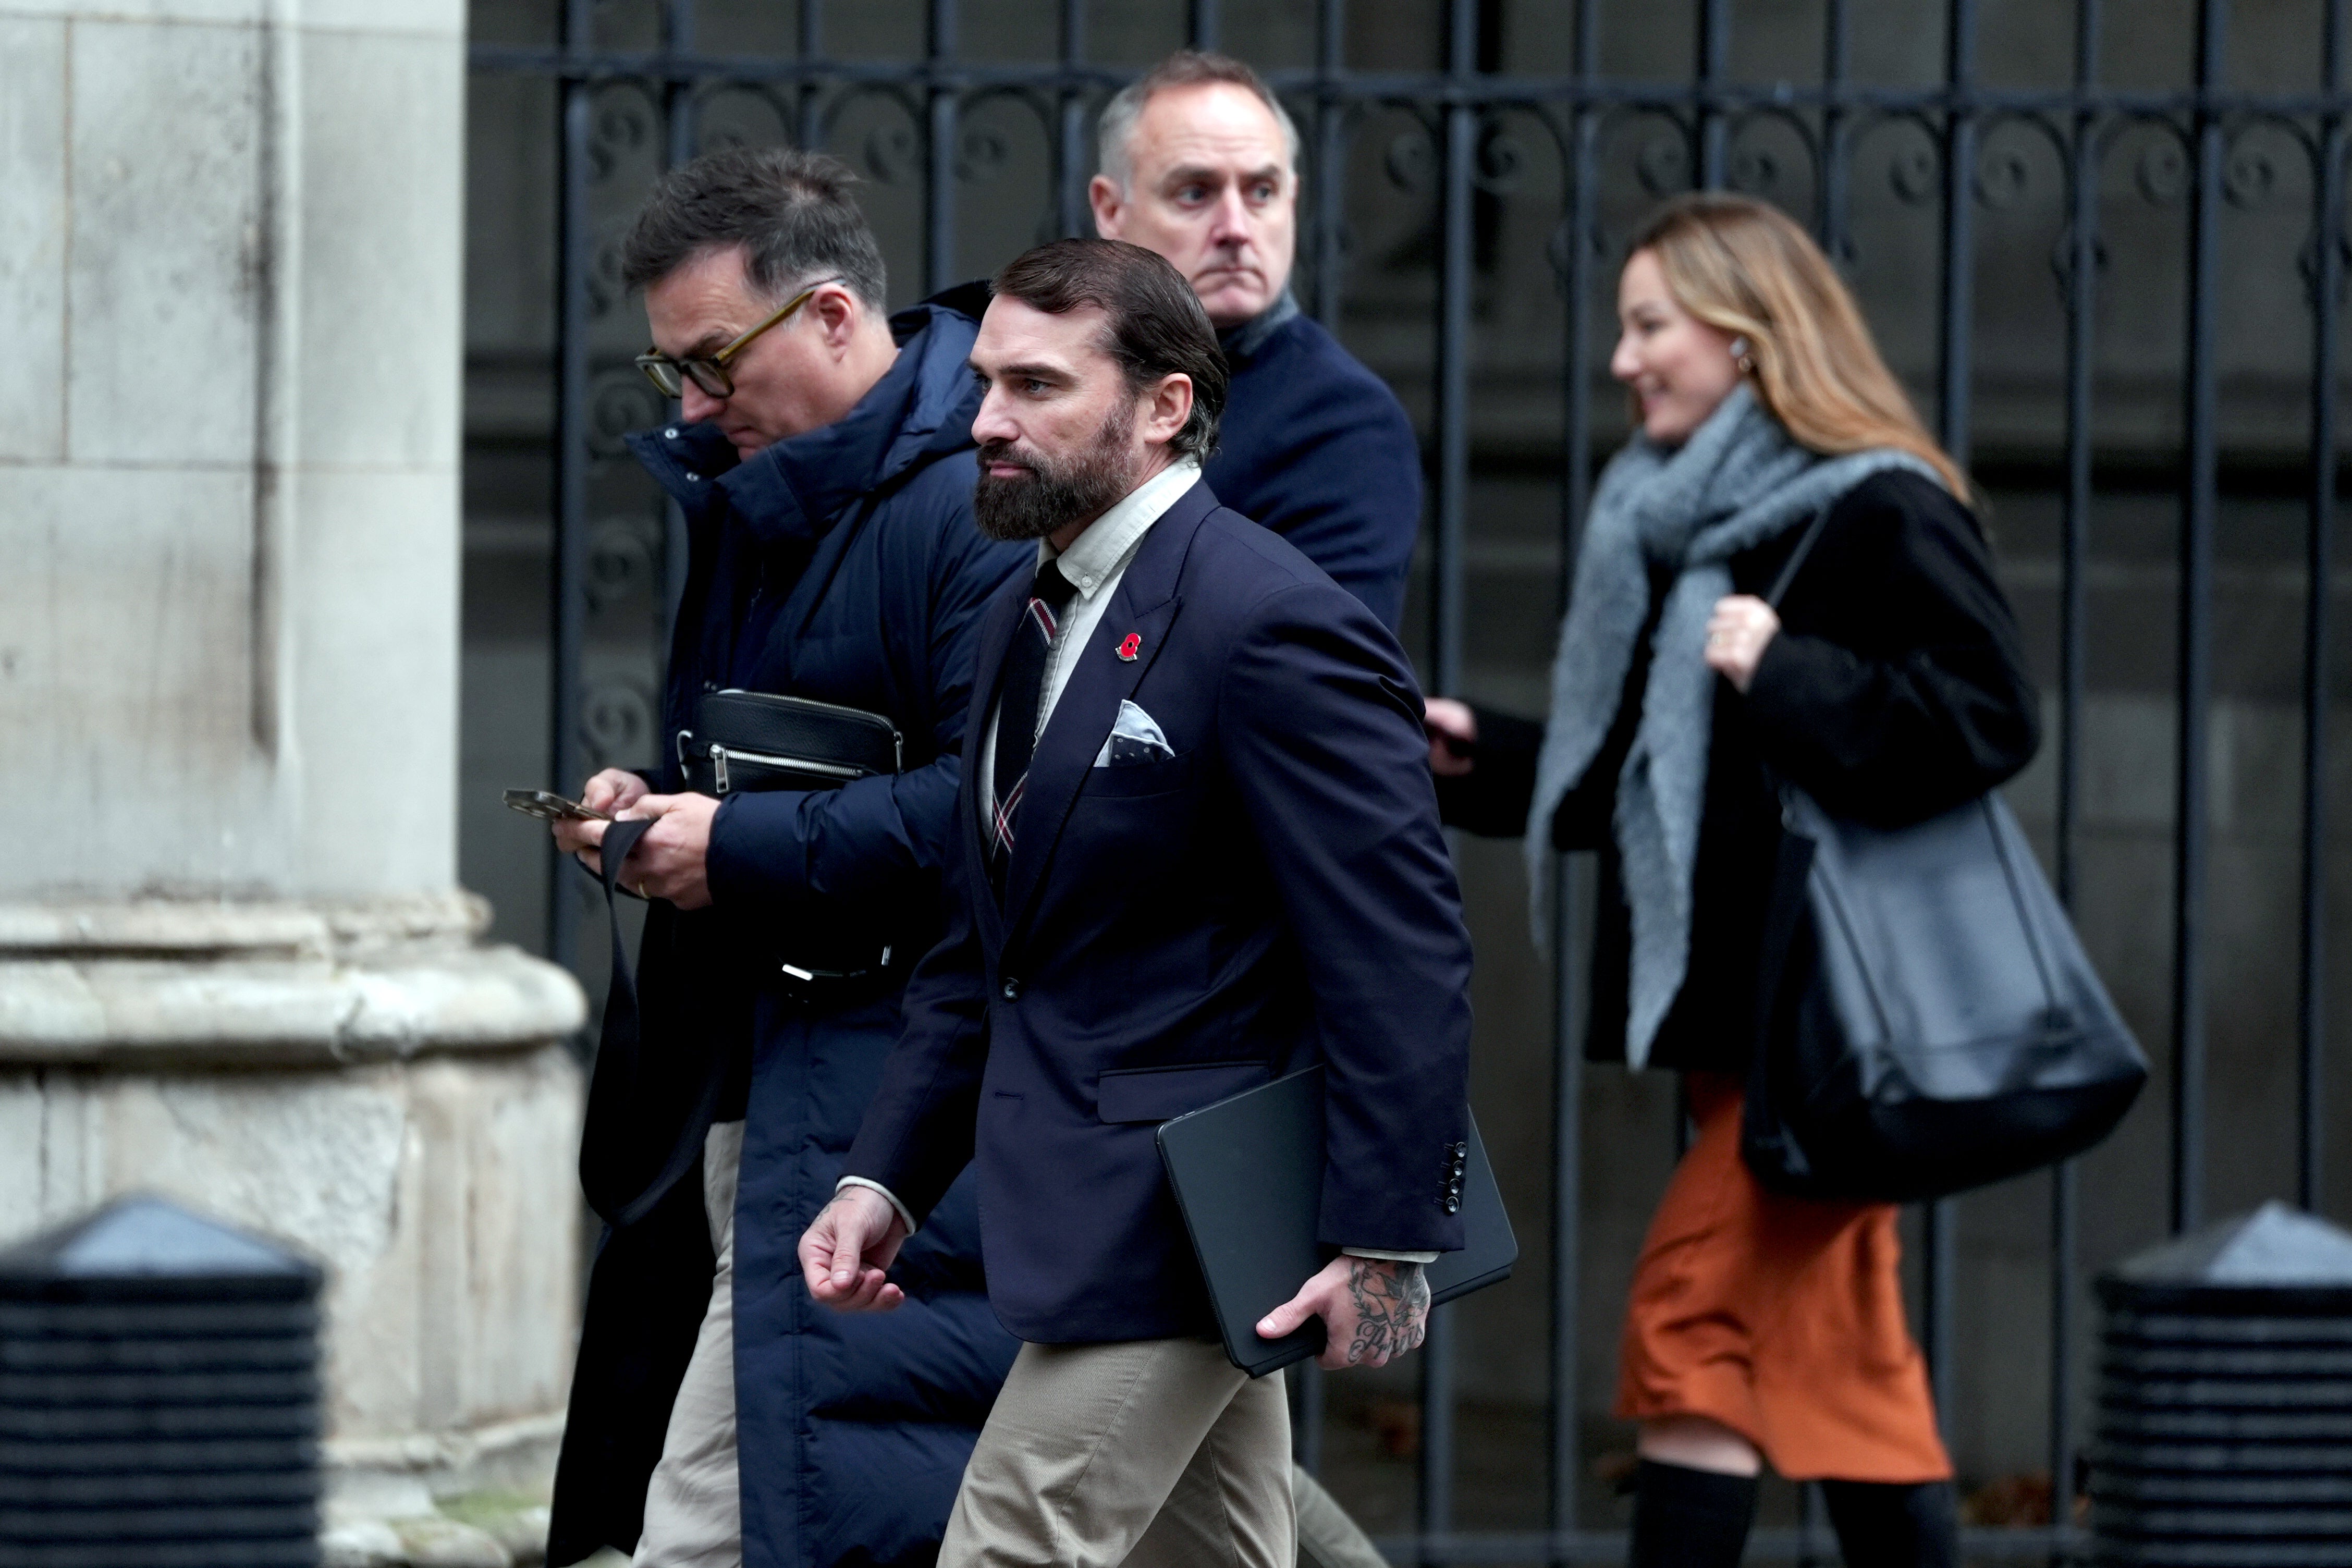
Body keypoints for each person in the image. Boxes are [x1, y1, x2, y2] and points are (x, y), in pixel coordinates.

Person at [798, 237, 1473, 1568]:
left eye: (1037, 387)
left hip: (1196, 1212)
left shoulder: (1272, 619)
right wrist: (888, 1170)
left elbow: (1399, 951)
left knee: (1007, 1541)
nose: (985, 419)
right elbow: (985, 945)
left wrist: (1389, 1235)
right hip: (1097, 1207)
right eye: (986, 382)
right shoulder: (1026, 610)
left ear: (1164, 404)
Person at [1424, 193, 2038, 1568]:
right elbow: (1659, 771)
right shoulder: (1683, 523)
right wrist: (1488, 761)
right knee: (1850, 1383)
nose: (1623, 360)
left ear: (1751, 339)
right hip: (1746, 1027)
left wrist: (1788, 669)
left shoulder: (1878, 503)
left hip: (1827, 1024)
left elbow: (1991, 717)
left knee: (1694, 1324)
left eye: (1651, 326)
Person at [541, 148, 1031, 1568]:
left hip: (887, 1106)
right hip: (754, 1085)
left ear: (828, 317)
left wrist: (737, 846)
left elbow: (998, 808)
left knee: (721, 1518)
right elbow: (762, 756)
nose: (691, 405)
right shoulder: (763, 484)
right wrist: (658, 809)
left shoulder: (976, 494)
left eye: (711, 361)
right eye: (670, 372)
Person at [1091, 50, 1422, 632]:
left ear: (1292, 201)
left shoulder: (1343, 419)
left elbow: (1317, 677)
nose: (1237, 228)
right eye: (1196, 193)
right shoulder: (1069, 379)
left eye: (1261, 192)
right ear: (1111, 209)